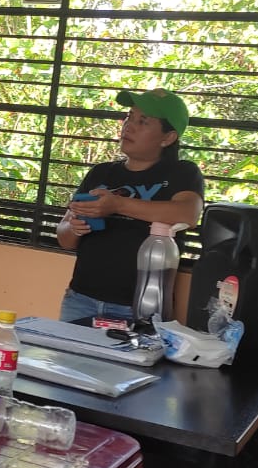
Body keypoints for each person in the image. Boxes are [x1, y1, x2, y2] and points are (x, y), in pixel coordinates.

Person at [56, 88, 205, 323]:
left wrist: (117, 205)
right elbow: (64, 238)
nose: (129, 126)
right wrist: (75, 228)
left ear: (168, 138)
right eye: (129, 117)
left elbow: (188, 214)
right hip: (81, 300)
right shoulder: (101, 172)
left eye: (143, 121)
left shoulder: (182, 173)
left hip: (140, 306)